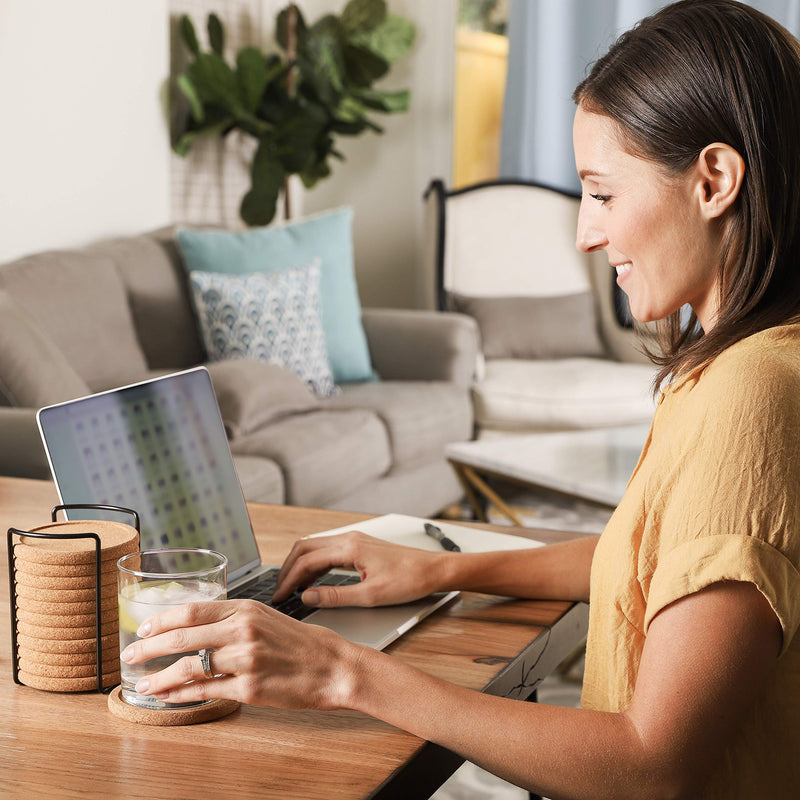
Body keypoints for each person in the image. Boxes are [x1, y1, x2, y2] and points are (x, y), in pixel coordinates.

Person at [121, 1, 800, 796]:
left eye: (603, 195)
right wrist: (436, 569)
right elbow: (650, 560)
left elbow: (652, 765)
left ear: (714, 180)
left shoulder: (755, 396)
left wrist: (343, 672)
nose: (585, 233)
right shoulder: (729, 365)